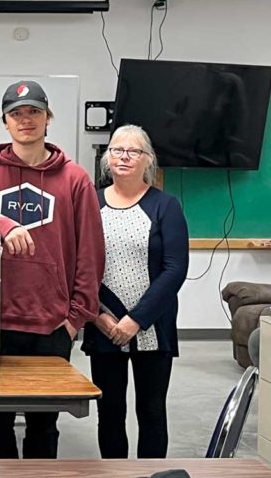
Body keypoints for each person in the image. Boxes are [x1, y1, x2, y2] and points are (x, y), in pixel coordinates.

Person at [0, 80, 104, 459]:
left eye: (34, 112)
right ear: (4, 123)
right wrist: (4, 225)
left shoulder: (75, 178)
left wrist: (75, 318)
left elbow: (91, 253)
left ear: (47, 118)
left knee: (44, 425)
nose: (25, 120)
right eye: (16, 113)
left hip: (51, 325)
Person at [81, 124, 189, 459]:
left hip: (152, 326)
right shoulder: (90, 203)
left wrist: (136, 320)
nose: (124, 157)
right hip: (104, 325)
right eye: (117, 150)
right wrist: (97, 316)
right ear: (107, 158)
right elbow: (77, 265)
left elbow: (175, 269)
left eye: (134, 151)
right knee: (110, 412)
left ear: (148, 160)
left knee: (152, 411)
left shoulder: (165, 206)